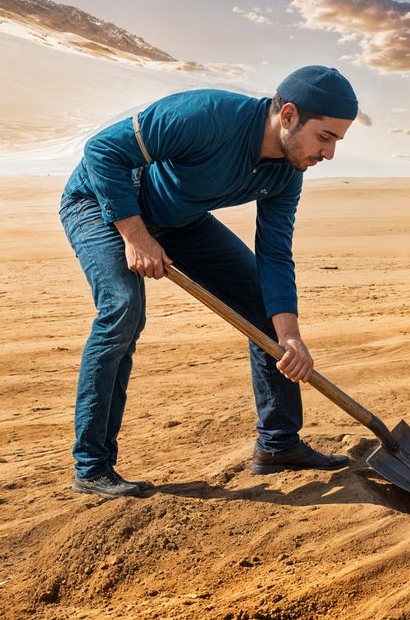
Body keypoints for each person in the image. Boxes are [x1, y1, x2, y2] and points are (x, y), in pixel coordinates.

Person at [59, 66, 359, 498]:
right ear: (289, 116)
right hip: (100, 201)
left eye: (337, 142)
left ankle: (278, 445)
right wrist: (135, 234)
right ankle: (92, 466)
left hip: (178, 219)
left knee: (261, 303)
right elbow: (102, 150)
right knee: (123, 309)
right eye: (325, 137)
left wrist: (290, 338)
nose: (329, 154)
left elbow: (274, 255)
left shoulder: (287, 176)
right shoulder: (205, 116)